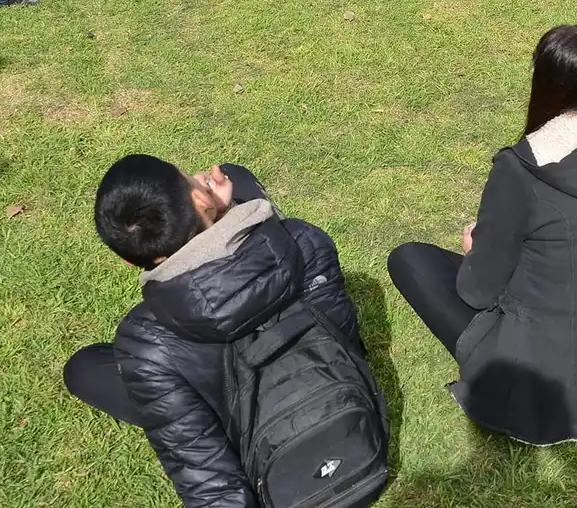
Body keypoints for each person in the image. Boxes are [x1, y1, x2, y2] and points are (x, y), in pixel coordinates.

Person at [386, 26, 577, 446]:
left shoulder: (521, 169)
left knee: (410, 259)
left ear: (548, 88)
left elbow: (478, 290)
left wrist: (476, 250)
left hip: (548, 369)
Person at [65, 155, 363, 508]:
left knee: (84, 368)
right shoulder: (302, 239)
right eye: (188, 177)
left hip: (269, 456)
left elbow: (208, 480)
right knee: (237, 175)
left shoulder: (144, 339)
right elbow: (345, 338)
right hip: (354, 421)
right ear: (201, 199)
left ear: (129, 261)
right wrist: (226, 214)